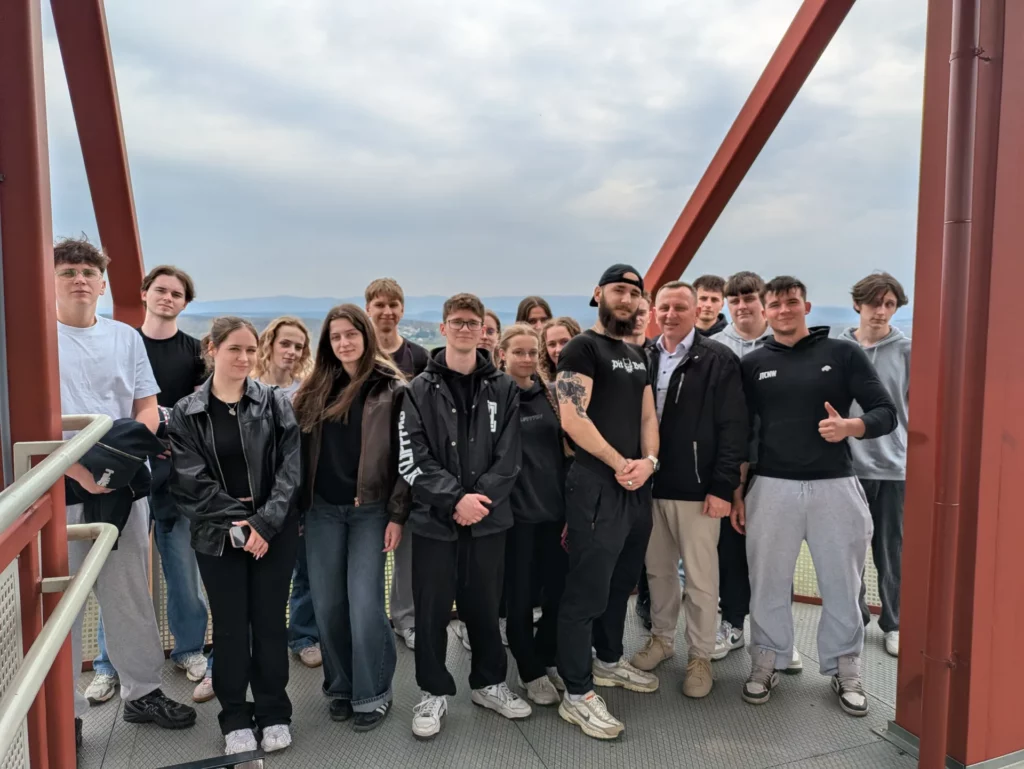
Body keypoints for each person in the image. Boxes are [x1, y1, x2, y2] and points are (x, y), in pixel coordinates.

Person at [55, 239, 197, 751]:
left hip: (123, 484)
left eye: (88, 272)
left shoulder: (123, 337)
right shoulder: (39, 338)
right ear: (52, 280)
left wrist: (123, 464)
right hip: (59, 487)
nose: (80, 279)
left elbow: (146, 405)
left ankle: (143, 692)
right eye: (68, 271)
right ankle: (64, 715)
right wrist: (79, 469)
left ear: (103, 283)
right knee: (62, 606)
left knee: (130, 593)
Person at [735, 276, 896, 717]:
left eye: (792, 302)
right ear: (765, 311)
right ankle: (766, 661)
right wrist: (737, 490)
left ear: (806, 307)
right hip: (771, 486)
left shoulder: (842, 353)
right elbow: (742, 432)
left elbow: (885, 413)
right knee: (767, 582)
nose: (784, 310)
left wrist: (850, 427)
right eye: (775, 304)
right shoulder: (753, 363)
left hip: (835, 485)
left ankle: (846, 670)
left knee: (842, 583)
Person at [168, 317, 302, 754]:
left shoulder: (275, 402)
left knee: (269, 624)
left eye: (250, 349)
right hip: (217, 536)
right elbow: (190, 481)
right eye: (234, 349)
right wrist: (242, 524)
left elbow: (290, 468)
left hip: (273, 532)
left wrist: (264, 523)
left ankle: (274, 712)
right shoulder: (187, 412)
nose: (244, 358)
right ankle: (235, 718)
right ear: (212, 349)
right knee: (229, 628)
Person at [398, 293, 529, 739]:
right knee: (431, 610)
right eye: (457, 321)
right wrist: (455, 499)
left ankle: (489, 683)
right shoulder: (416, 390)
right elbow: (412, 458)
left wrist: (477, 502)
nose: (466, 329)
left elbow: (510, 457)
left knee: (485, 606)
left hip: (488, 521)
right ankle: (433, 691)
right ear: (443, 328)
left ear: (483, 331)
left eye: (474, 323)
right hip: (435, 522)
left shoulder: (504, 388)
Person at [87, 265, 211, 707]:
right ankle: (109, 665)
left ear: (185, 302)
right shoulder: (122, 345)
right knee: (120, 578)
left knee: (183, 571)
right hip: (129, 474)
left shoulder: (195, 353)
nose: (167, 298)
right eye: (161, 290)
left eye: (177, 293)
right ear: (144, 293)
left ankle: (190, 649)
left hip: (176, 476)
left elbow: (202, 412)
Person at [555, 264, 660, 740]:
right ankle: (576, 693)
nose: (627, 298)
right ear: (598, 294)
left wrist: (649, 462)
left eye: (635, 293)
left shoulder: (637, 353)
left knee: (621, 584)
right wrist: (621, 463)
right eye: (619, 289)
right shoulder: (583, 347)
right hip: (597, 486)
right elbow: (572, 417)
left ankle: (609, 661)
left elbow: (647, 417)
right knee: (586, 592)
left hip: (637, 488)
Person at [293, 304, 409, 731]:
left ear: (366, 335)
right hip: (321, 511)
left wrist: (397, 514)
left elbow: (406, 458)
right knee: (327, 604)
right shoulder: (314, 388)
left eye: (351, 334)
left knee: (364, 604)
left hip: (370, 512)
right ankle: (341, 687)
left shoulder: (391, 388)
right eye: (335, 336)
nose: (344, 342)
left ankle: (373, 692)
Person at [629, 282, 746, 700]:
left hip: (697, 490)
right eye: (664, 307)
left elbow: (734, 428)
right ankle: (662, 640)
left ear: (696, 311)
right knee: (658, 573)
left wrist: (721, 487)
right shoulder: (642, 356)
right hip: (649, 487)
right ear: (653, 311)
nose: (671, 314)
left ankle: (700, 655)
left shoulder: (718, 359)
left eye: (680, 307)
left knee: (701, 579)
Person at [838, 272, 911, 658]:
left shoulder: (908, 351)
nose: (880, 311)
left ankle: (894, 623)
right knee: (848, 550)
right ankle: (855, 617)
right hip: (844, 467)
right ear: (857, 304)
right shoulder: (838, 349)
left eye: (889, 304)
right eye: (873, 303)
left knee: (891, 550)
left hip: (892, 465)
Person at [496, 324, 570, 706]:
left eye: (531, 352)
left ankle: (546, 654)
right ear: (502, 355)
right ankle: (530, 670)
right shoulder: (495, 396)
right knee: (520, 598)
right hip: (516, 517)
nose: (526, 359)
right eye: (518, 352)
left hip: (554, 510)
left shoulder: (551, 393)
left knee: (558, 592)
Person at [709, 271, 774, 661]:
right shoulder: (715, 347)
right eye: (734, 300)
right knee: (730, 549)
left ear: (762, 301)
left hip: (776, 463)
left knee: (774, 551)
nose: (742, 305)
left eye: (749, 298)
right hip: (731, 463)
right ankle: (732, 624)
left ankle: (776, 635)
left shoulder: (784, 342)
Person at [252, 317, 322, 672]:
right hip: (258, 497)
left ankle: (304, 636)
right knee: (259, 576)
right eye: (285, 344)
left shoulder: (306, 391)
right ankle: (258, 643)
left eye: (299, 346)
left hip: (299, 495)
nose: (292, 352)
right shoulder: (249, 388)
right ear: (270, 344)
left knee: (305, 569)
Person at [365, 278, 429, 653]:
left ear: (402, 310)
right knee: (366, 554)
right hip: (368, 468)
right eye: (380, 305)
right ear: (368, 309)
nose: (387, 311)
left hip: (409, 467)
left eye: (393, 305)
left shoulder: (419, 358)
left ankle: (406, 619)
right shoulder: (359, 353)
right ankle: (369, 623)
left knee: (408, 553)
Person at [539, 317, 581, 383]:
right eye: (552, 344)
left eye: (565, 342)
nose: (558, 349)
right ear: (545, 349)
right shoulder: (541, 384)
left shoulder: (594, 378)